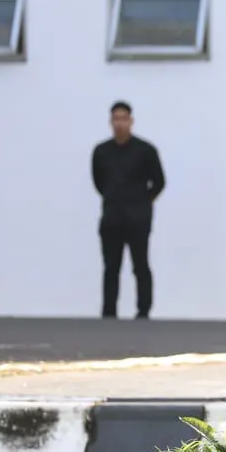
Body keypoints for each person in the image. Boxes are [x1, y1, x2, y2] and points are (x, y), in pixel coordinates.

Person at [92, 101, 166, 320]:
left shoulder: (145, 150)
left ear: (131, 121)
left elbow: (159, 181)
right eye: (116, 119)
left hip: (138, 219)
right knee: (111, 267)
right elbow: (98, 181)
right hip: (111, 218)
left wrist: (144, 202)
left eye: (124, 119)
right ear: (110, 121)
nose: (120, 123)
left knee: (140, 265)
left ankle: (143, 311)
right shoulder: (102, 151)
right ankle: (109, 312)